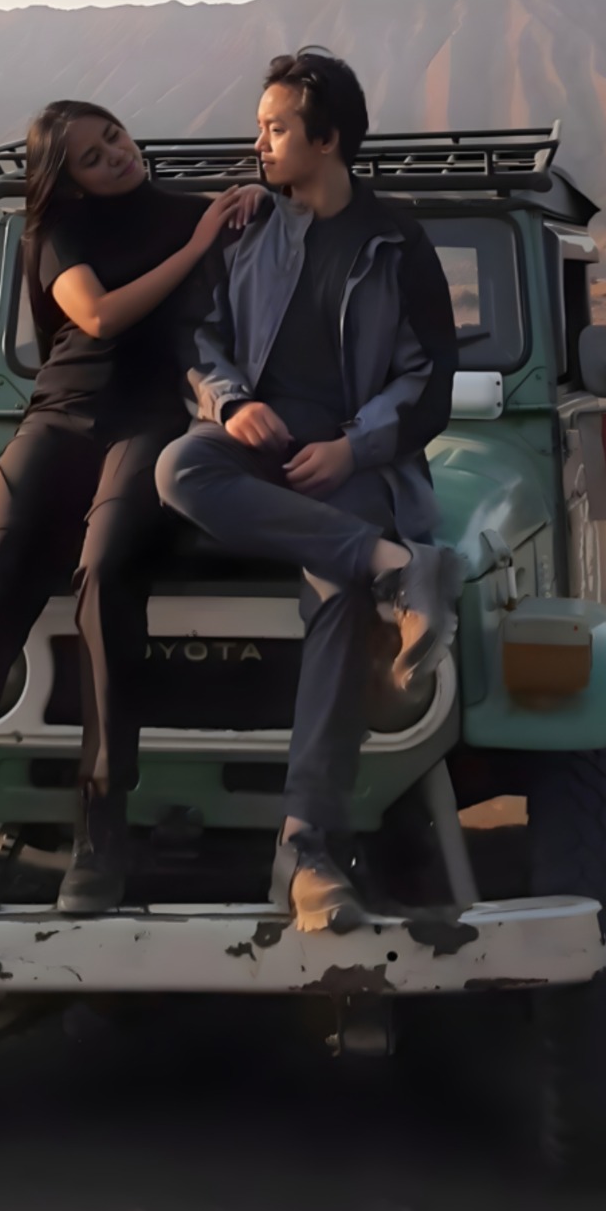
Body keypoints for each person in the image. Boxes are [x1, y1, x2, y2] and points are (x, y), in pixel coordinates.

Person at [0, 101, 261, 919]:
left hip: (149, 420)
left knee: (107, 571)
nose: (114, 154)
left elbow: (271, 237)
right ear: (69, 178)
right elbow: (99, 316)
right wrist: (197, 245)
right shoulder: (60, 231)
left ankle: (100, 832)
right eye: (90, 155)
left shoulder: (192, 211)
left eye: (113, 136)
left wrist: (251, 201)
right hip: (59, 415)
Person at [156, 50, 462, 934]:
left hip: (354, 459)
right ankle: (393, 564)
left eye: (275, 128)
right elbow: (197, 335)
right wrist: (232, 402)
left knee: (335, 596)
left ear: (326, 139)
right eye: (260, 127)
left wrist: (353, 447)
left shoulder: (397, 241)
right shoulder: (248, 227)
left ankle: (309, 847)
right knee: (179, 470)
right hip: (252, 443)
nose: (259, 143)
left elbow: (430, 379)